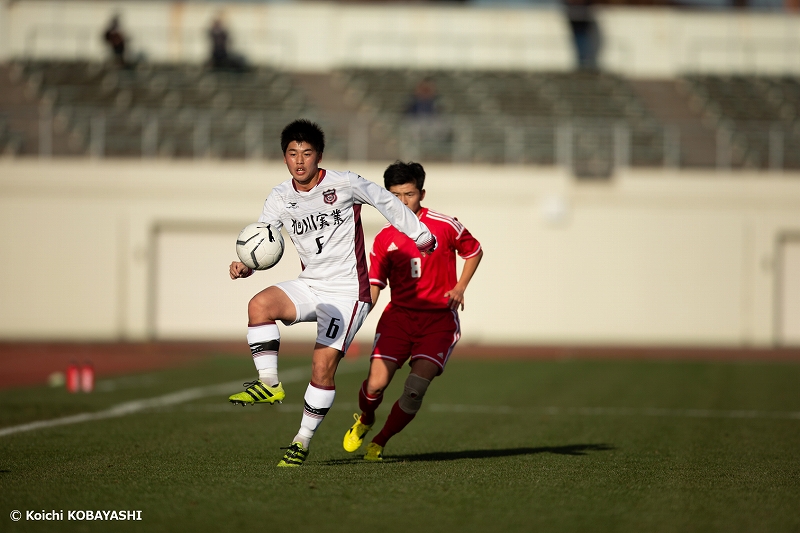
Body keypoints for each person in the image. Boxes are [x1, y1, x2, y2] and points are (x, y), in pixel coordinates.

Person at [228, 120, 437, 467]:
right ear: (284, 158)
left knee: (322, 366)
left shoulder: (345, 183)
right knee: (259, 305)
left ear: (318, 156)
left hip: (348, 293)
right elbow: (267, 239)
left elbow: (386, 201)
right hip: (310, 284)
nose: (299, 161)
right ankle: (269, 383)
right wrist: (247, 265)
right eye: (292, 153)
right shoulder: (280, 197)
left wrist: (419, 233)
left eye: (306, 153)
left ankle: (301, 441)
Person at [342, 161, 483, 461]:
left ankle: (380, 441)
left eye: (409, 194)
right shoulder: (383, 238)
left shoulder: (446, 225)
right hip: (399, 319)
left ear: (422, 193)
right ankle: (366, 419)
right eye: (394, 196)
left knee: (415, 389)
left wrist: (460, 287)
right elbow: (376, 287)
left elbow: (473, 251)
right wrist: (354, 321)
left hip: (438, 322)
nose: (403, 202)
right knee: (375, 385)